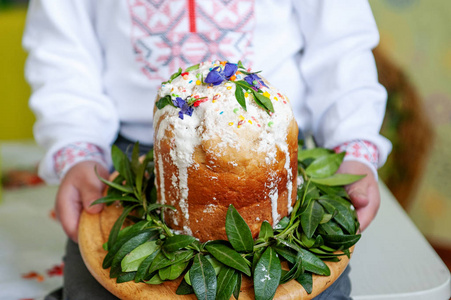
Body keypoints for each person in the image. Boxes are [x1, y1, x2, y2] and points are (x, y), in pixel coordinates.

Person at [23, 0, 392, 299]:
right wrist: (78, 147)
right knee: (93, 287)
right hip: (129, 152)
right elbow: (63, 51)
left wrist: (353, 142)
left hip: (277, 154)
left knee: (321, 292)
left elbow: (342, 45)